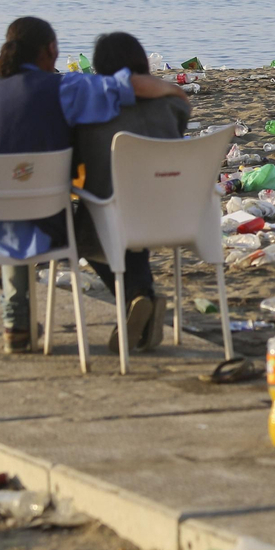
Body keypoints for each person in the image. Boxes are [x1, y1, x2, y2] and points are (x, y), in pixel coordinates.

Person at [0, 17, 188, 353]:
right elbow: (127, 85)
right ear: (52, 50)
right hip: (50, 223)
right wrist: (176, 91)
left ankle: (17, 320)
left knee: (21, 221)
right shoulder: (65, 88)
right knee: (93, 219)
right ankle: (138, 293)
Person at [72, 32, 191, 354]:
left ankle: (137, 298)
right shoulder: (172, 105)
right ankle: (143, 301)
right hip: (174, 211)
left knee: (83, 234)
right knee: (132, 225)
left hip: (111, 212)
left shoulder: (90, 109)